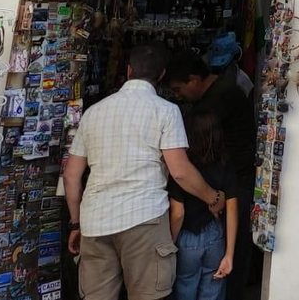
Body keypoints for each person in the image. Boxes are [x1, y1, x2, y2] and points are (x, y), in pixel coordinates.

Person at [63, 43, 227, 300]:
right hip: (144, 219)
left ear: (128, 71)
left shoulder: (93, 113)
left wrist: (76, 223)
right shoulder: (166, 111)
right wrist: (213, 198)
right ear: (161, 75)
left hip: (95, 222)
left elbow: (71, 174)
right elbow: (180, 171)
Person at [168, 53, 258, 299]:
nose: (177, 96)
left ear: (194, 80)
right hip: (231, 182)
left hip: (236, 181)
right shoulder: (223, 90)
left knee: (227, 257)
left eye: (178, 89)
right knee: (218, 270)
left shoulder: (217, 101)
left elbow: (178, 211)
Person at [169, 110, 239, 300]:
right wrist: (229, 255)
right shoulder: (225, 162)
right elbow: (232, 209)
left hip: (187, 237)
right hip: (215, 235)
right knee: (213, 290)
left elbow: (177, 213)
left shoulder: (182, 167)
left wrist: (169, 245)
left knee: (184, 287)